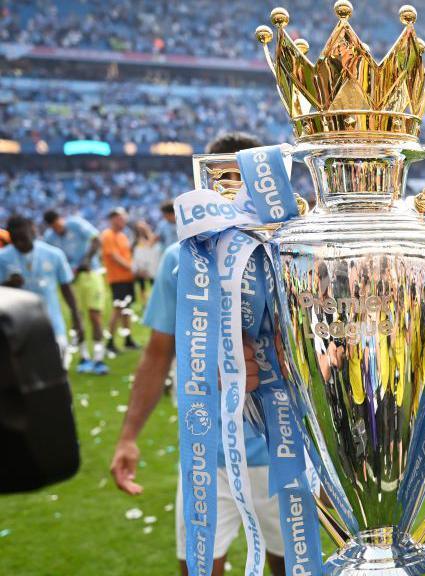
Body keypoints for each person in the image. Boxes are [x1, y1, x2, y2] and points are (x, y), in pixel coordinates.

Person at [110, 132, 286, 576]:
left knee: (292, 565)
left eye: (238, 178)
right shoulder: (180, 257)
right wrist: (129, 435)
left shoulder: (288, 249)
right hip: (207, 452)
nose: (230, 189)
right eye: (219, 178)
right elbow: (157, 354)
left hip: (281, 448)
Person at [0, 215, 83, 367]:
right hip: (20, 325)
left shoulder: (53, 254)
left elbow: (66, 288)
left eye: (23, 238)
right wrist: (8, 284)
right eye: (15, 240)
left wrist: (76, 317)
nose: (20, 244)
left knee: (58, 368)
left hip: (51, 322)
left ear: (33, 232)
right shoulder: (3, 258)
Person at [42, 209, 109, 375]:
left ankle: (99, 358)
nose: (57, 229)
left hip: (90, 273)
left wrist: (86, 259)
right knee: (76, 316)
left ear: (61, 219)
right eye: (53, 227)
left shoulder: (75, 224)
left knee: (95, 315)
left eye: (58, 225)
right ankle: (84, 356)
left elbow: (96, 239)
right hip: (71, 280)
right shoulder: (50, 237)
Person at [99, 207, 139, 353]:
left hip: (127, 278)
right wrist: (132, 268)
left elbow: (128, 254)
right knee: (118, 309)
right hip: (117, 278)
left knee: (126, 309)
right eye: (121, 218)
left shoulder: (122, 236)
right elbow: (115, 257)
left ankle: (127, 339)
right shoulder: (108, 235)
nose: (124, 221)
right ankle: (109, 341)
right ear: (114, 219)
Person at [130, 220, 162, 305]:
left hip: (152, 267)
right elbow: (136, 256)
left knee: (154, 286)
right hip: (141, 268)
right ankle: (146, 305)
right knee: (142, 287)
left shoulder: (152, 238)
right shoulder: (135, 241)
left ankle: (156, 303)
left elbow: (151, 248)